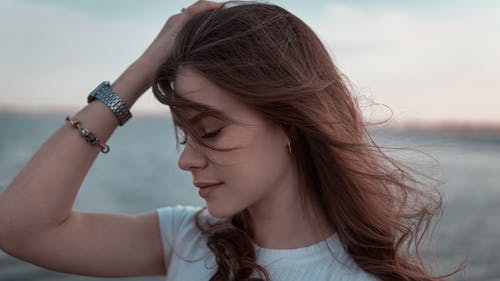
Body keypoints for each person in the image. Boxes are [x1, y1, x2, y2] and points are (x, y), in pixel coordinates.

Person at [0, 1, 455, 280]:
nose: (186, 160)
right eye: (184, 134)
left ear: (293, 125)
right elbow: (20, 229)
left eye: (211, 131)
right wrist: (144, 67)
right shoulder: (189, 239)